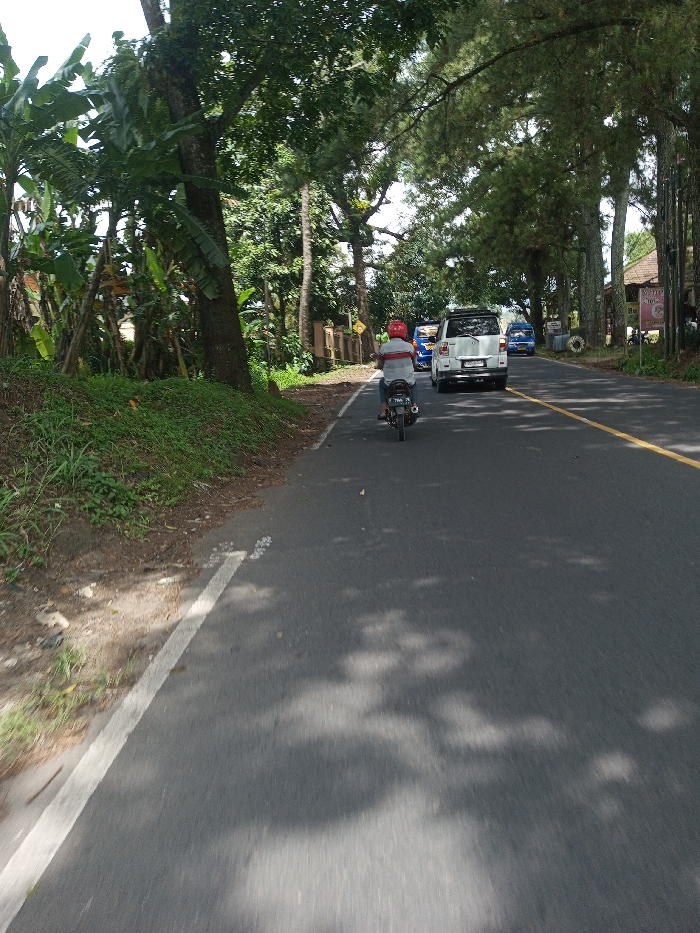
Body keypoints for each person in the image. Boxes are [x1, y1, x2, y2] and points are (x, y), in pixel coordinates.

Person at [376, 320, 418, 420]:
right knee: (414, 384)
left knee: (381, 384)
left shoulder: (384, 348)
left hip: (390, 382)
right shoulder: (409, 347)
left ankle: (384, 410)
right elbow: (415, 362)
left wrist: (379, 366)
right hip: (407, 380)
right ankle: (415, 406)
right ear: (404, 333)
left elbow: (380, 363)